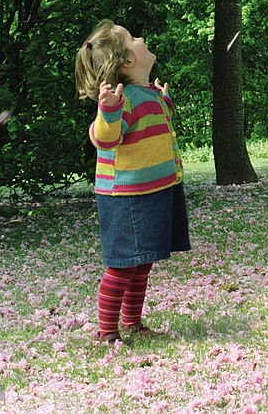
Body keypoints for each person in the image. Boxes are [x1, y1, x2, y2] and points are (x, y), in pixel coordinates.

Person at [74, 19, 190, 344]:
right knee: (124, 265)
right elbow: (104, 139)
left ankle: (132, 323)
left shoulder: (144, 92)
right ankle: (107, 331)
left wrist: (163, 101)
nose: (141, 36)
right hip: (126, 197)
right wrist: (108, 112)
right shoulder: (120, 102)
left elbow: (153, 126)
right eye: (132, 37)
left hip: (151, 191)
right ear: (127, 61)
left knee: (143, 262)